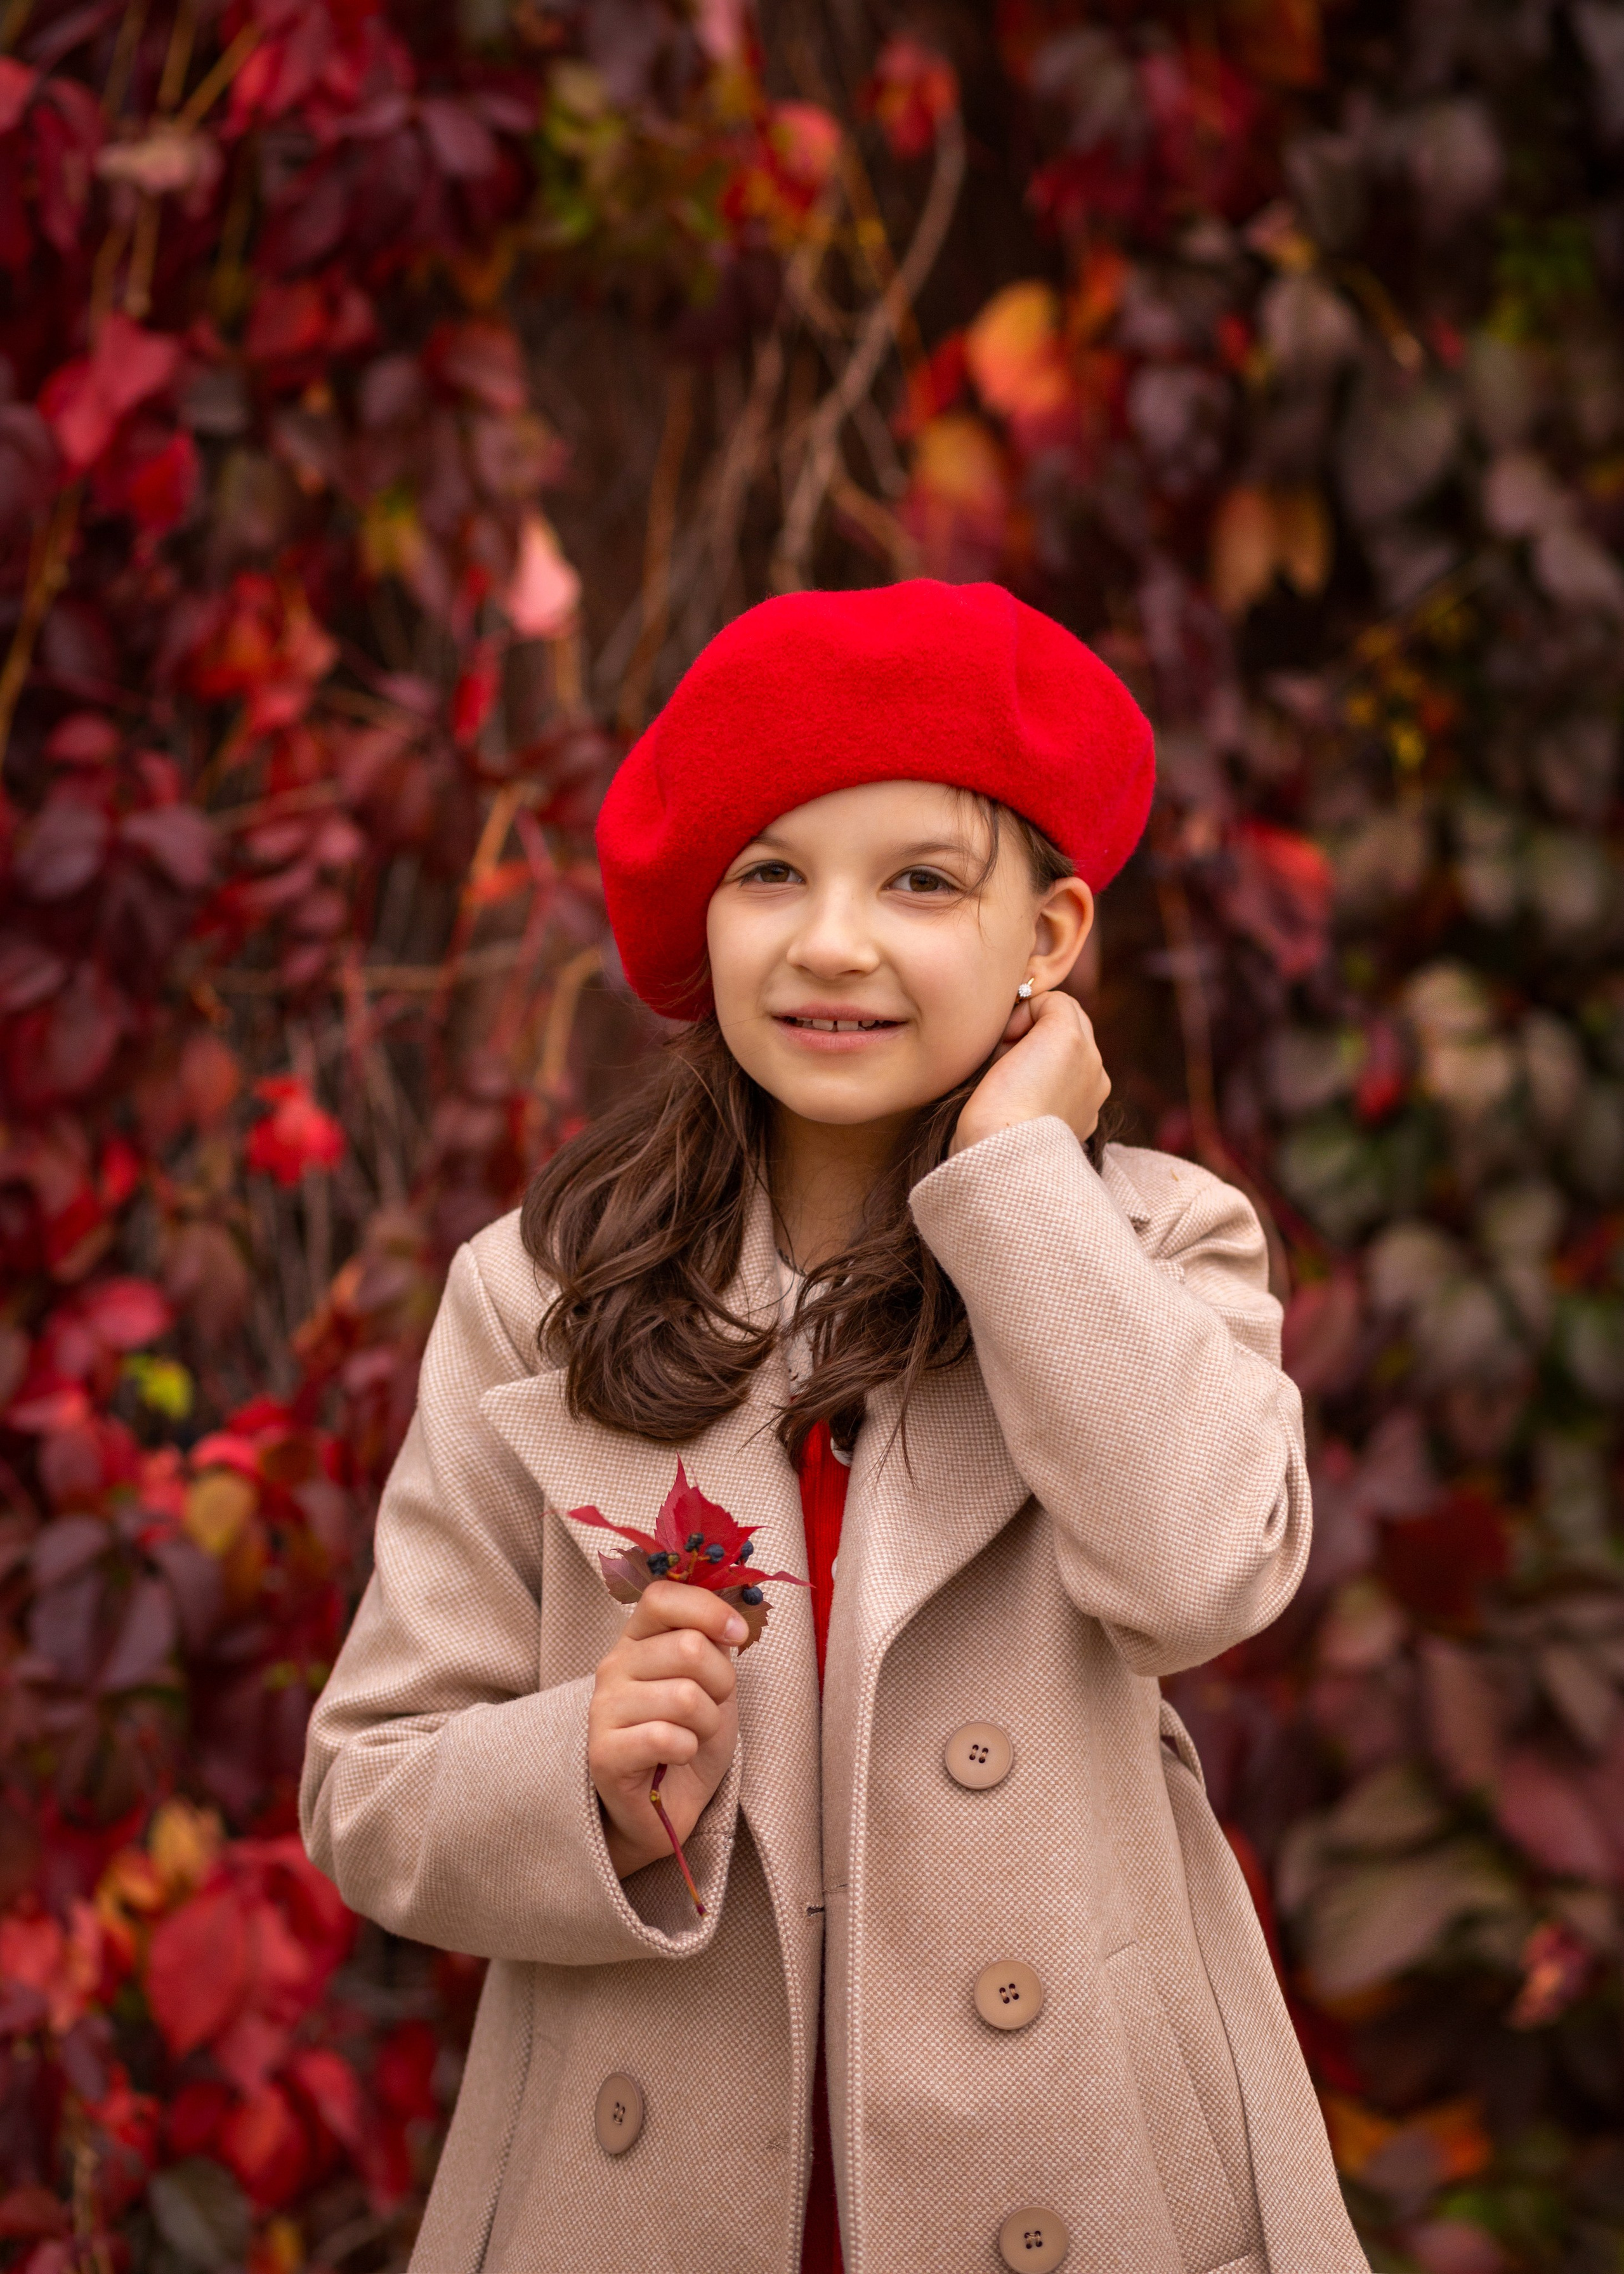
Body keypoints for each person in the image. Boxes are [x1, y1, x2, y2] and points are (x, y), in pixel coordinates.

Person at [300, 579, 1366, 2274]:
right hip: (639, 2199)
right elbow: (368, 1792)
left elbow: (1197, 1579)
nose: (832, 943)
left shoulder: (1156, 1245)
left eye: (923, 882)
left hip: (1085, 2187)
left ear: (1052, 937)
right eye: (772, 874)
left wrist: (1018, 1181)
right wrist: (575, 1768)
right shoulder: (539, 1299)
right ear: (703, 920)